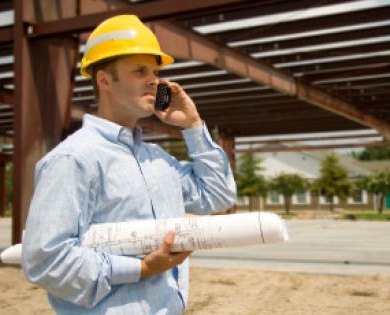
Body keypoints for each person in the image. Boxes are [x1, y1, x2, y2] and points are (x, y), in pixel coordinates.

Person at [21, 15, 236, 314]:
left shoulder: (158, 161)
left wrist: (194, 127)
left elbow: (219, 196)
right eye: (139, 71)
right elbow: (45, 261)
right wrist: (141, 268)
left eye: (155, 71)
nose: (154, 80)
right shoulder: (73, 160)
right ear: (105, 80)